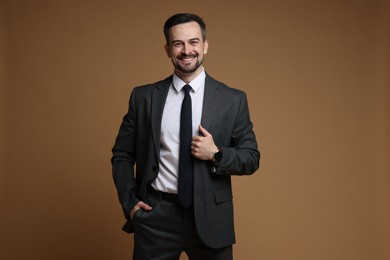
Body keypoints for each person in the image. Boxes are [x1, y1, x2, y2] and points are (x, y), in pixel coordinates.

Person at [111, 13, 260, 260]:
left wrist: (217, 154)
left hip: (212, 218)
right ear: (168, 49)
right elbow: (122, 154)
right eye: (178, 43)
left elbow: (251, 158)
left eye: (193, 42)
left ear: (205, 46)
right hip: (155, 217)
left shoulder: (232, 100)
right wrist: (130, 202)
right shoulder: (144, 97)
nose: (186, 50)